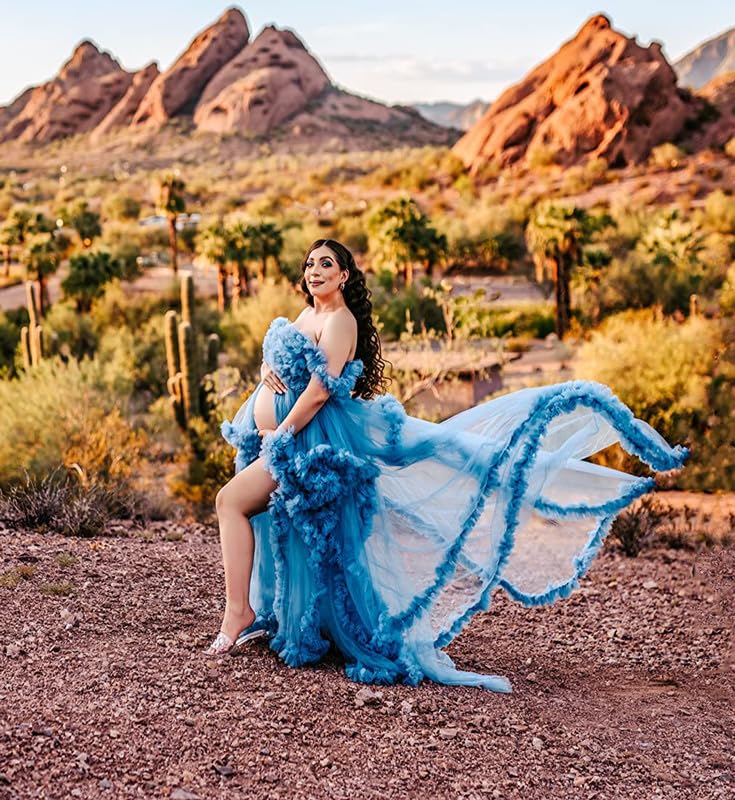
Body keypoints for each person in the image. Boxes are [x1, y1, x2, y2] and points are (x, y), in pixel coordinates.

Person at [206, 238, 688, 692]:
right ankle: (276, 617)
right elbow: (289, 371)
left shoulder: (340, 322)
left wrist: (280, 437)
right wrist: (267, 373)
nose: (315, 271)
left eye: (326, 264)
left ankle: (238, 614)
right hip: (286, 434)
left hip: (308, 441)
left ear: (345, 275)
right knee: (296, 534)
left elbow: (316, 392)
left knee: (231, 502)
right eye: (310, 264)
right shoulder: (307, 313)